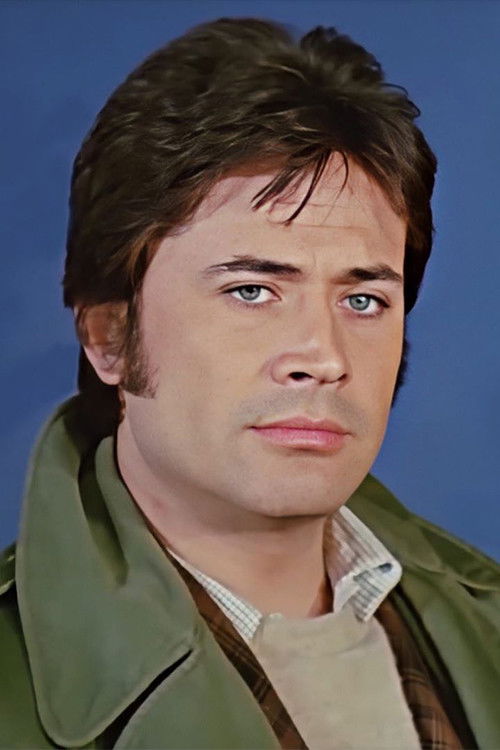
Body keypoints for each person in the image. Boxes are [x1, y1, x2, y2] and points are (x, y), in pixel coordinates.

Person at [1, 17, 498, 750]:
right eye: (251, 291)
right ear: (108, 335)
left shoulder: (484, 616)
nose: (323, 356)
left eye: (363, 300)